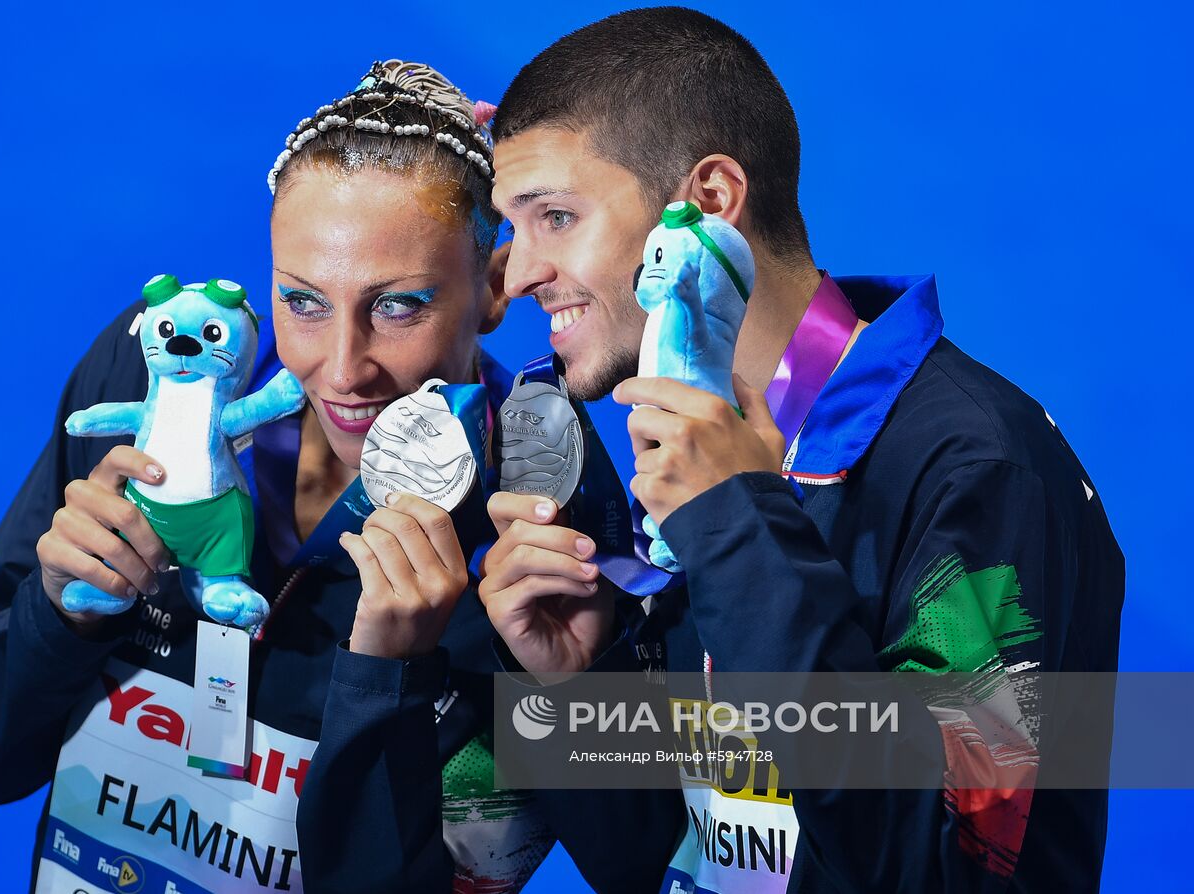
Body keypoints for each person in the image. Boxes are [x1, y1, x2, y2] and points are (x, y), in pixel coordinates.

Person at [0, 59, 670, 893]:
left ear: (495, 287)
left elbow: (645, 862)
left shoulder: (548, 489)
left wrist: (565, 695)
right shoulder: (158, 376)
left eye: (400, 305)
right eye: (304, 301)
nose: (343, 369)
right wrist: (57, 614)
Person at [478, 8, 1124, 893]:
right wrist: (587, 687)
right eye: (513, 228)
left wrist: (742, 530)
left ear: (708, 201)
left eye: (554, 215)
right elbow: (689, 862)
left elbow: (951, 872)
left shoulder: (978, 468)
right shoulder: (691, 450)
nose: (516, 275)